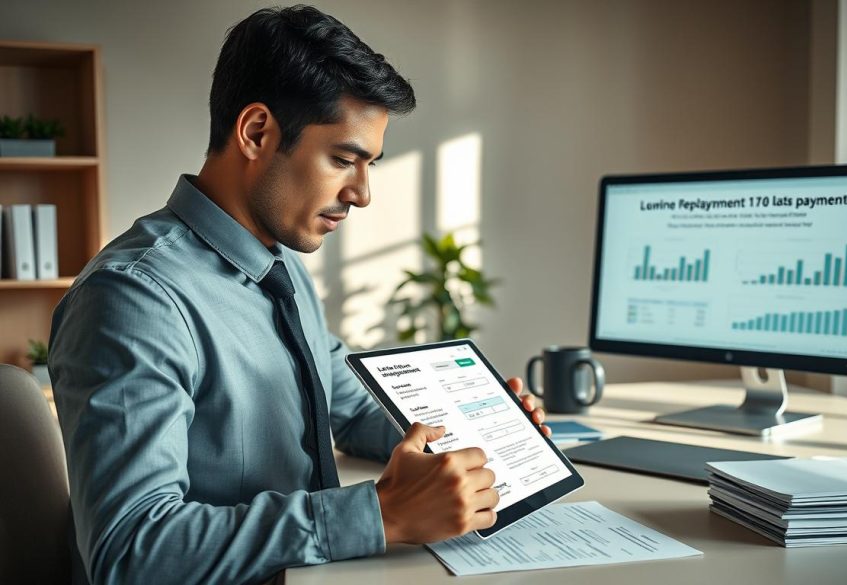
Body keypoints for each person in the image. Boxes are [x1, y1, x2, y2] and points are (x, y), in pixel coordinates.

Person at [48, 6, 548, 584]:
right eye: (343, 159)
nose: (361, 194)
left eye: (370, 166)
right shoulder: (133, 300)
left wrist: (480, 439)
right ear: (257, 132)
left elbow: (351, 407)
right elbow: (131, 551)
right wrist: (380, 514)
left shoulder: (280, 265)